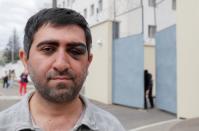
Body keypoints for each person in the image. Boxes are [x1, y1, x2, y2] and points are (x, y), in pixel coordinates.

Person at [0, 8, 125, 131]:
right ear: (25, 60)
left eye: (75, 51)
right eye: (48, 49)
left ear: (88, 62)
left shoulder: (112, 127)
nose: (61, 64)